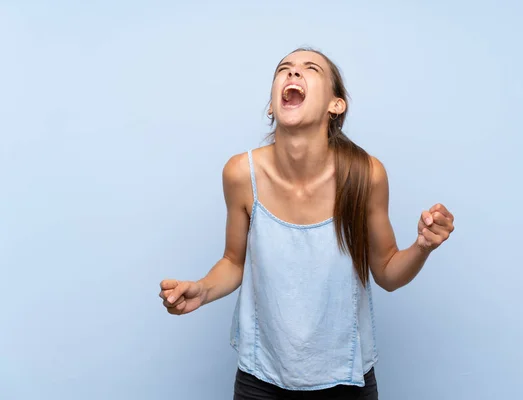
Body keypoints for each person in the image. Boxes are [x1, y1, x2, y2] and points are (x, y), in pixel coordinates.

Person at [158, 47, 455, 399]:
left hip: (346, 379)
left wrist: (422, 247)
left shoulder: (365, 174)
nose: (293, 73)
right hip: (261, 378)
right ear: (272, 105)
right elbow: (233, 262)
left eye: (309, 69)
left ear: (336, 105)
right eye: (284, 69)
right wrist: (203, 290)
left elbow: (388, 273)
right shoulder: (240, 174)